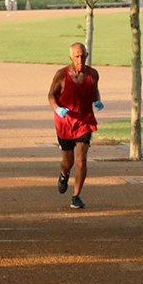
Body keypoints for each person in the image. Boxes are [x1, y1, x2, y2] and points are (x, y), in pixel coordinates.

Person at [48, 42, 103, 209]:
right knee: (68, 162)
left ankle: (76, 196)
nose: (80, 59)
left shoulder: (93, 74)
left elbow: (94, 90)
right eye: (77, 56)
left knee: (82, 159)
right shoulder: (61, 75)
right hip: (65, 123)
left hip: (85, 121)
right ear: (71, 57)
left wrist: (98, 100)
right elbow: (51, 95)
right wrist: (58, 109)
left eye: (83, 56)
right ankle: (64, 174)